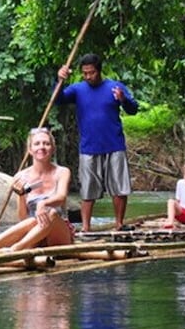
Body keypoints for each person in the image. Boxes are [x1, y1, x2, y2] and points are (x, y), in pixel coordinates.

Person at [55, 53, 139, 231]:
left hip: (114, 144)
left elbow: (133, 109)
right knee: (87, 189)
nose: (88, 76)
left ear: (99, 71)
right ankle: (86, 227)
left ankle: (119, 224)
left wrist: (123, 99)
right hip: (89, 146)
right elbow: (58, 99)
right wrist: (60, 80)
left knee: (119, 188)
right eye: (85, 73)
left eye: (91, 73)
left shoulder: (114, 87)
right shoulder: (78, 89)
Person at [0, 127, 73, 252]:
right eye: (37, 144)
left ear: (53, 148)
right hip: (34, 235)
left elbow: (61, 197)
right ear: (30, 149)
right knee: (33, 220)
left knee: (51, 213)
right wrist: (21, 195)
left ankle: (16, 248)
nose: (41, 147)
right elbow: (22, 219)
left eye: (46, 143)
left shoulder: (62, 172)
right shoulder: (20, 177)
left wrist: (44, 203)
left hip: (58, 235)